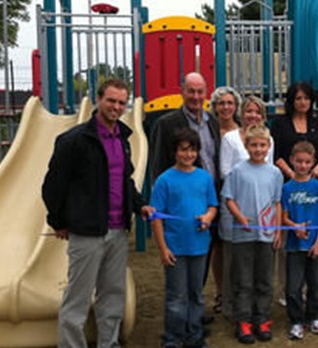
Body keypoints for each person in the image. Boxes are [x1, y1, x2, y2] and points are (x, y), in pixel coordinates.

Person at [42, 79, 154, 347]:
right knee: (77, 299)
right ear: (99, 100)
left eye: (121, 102)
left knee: (113, 296)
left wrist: (140, 205)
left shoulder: (123, 139)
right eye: (111, 100)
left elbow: (125, 181)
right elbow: (52, 186)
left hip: (118, 231)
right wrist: (57, 221)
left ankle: (109, 343)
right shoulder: (73, 140)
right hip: (87, 232)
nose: (116, 107)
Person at [151, 129, 218, 348]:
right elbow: (156, 217)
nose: (188, 154)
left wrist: (208, 216)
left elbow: (212, 206)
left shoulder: (204, 177)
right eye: (183, 150)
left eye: (192, 150)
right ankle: (173, 338)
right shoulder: (164, 181)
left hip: (199, 246)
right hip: (175, 248)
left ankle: (194, 334)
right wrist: (163, 248)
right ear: (174, 152)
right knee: (176, 297)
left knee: (196, 294)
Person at [221, 125, 283, 344]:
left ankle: (262, 319)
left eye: (262, 145)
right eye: (253, 145)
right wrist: (240, 217)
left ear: (268, 147)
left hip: (266, 236)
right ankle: (244, 321)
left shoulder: (275, 173)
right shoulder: (237, 171)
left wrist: (277, 230)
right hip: (243, 236)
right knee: (244, 281)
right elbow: (229, 198)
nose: (258, 149)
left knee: (265, 280)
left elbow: (277, 203)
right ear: (246, 146)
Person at [218, 95, 275, 320]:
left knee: (260, 265)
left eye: (257, 111)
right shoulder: (231, 138)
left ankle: (257, 310)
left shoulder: (267, 138)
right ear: (242, 113)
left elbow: (269, 172)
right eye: (249, 111)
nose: (252, 115)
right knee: (235, 261)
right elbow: (225, 172)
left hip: (261, 209)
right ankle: (232, 307)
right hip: (236, 206)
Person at [281, 141, 318, 340]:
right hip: (294, 246)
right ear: (292, 161)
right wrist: (295, 227)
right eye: (298, 161)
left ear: (313, 162)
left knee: (316, 285)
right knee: (293, 287)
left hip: (317, 246)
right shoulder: (287, 188)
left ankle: (313, 318)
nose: (302, 165)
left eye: (307, 162)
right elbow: (283, 217)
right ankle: (296, 321)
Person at [208, 86, 242, 314]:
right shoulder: (208, 129)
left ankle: (237, 291)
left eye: (230, 103)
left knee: (234, 244)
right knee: (216, 245)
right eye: (221, 103)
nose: (226, 107)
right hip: (212, 189)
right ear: (215, 107)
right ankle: (221, 291)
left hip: (236, 194)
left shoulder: (242, 132)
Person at [151, 72, 220, 184]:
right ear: (182, 92)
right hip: (182, 194)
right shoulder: (166, 124)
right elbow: (159, 165)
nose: (196, 97)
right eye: (191, 91)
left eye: (200, 92)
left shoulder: (213, 122)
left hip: (211, 194)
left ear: (206, 93)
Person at [271, 82, 318, 181]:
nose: (303, 102)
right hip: (286, 180)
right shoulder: (279, 124)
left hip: (313, 180)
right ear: (291, 101)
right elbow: (276, 154)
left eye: (306, 98)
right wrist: (292, 175)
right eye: (298, 98)